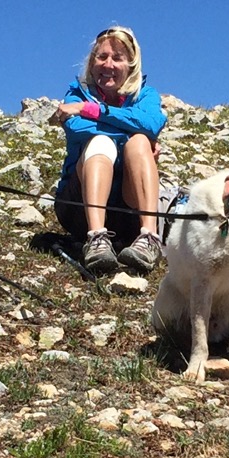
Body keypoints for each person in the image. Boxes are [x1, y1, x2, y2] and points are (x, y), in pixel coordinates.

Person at [54, 26, 166, 276]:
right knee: (104, 142)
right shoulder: (76, 93)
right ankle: (95, 238)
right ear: (91, 62)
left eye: (118, 58)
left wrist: (91, 110)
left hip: (128, 213)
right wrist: (138, 135)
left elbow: (152, 122)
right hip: (76, 209)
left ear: (131, 65)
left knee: (138, 141)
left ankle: (148, 237)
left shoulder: (144, 95)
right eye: (102, 56)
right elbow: (78, 129)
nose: (109, 64)